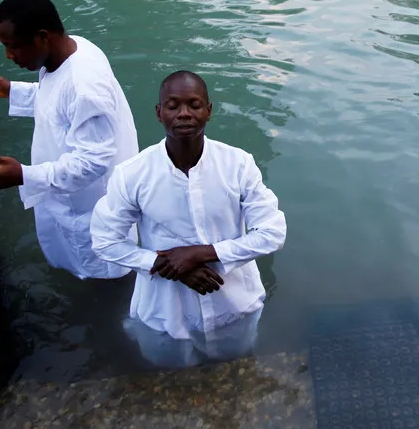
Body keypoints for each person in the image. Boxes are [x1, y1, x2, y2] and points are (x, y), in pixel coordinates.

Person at [90, 70, 286, 367]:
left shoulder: (237, 164)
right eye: (173, 106)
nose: (184, 113)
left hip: (233, 303)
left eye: (194, 105)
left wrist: (202, 254)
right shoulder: (133, 174)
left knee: (237, 367)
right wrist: (166, 265)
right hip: (166, 311)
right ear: (159, 113)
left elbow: (272, 232)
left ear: (209, 111)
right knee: (167, 371)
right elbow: (104, 241)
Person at [0, 0, 138, 280]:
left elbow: (93, 162)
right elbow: (58, 106)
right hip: (70, 196)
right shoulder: (74, 49)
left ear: (42, 37)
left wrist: (24, 176)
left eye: (13, 46)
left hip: (92, 208)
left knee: (104, 274)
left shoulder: (84, 86)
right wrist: (12, 91)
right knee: (79, 261)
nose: (9, 55)